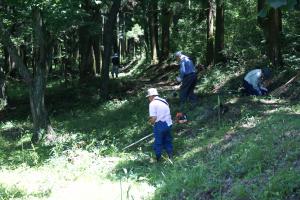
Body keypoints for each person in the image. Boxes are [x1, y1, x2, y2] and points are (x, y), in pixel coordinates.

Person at [147, 88, 173, 162]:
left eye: (148, 97)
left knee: (158, 143)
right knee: (168, 141)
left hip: (160, 124)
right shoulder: (163, 101)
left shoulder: (152, 104)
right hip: (168, 123)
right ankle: (170, 158)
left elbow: (154, 118)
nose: (148, 98)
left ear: (151, 96)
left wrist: (151, 122)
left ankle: (158, 160)